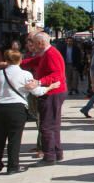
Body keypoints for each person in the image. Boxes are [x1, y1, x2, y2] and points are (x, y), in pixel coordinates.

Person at [0, 49, 59, 174]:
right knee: (14, 138)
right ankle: (13, 167)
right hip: (16, 109)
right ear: (20, 60)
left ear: (6, 60)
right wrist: (51, 87)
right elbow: (37, 92)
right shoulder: (25, 75)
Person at [19, 32, 67, 165]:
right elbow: (35, 61)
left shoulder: (51, 54)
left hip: (52, 93)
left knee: (46, 126)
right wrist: (16, 63)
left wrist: (39, 82)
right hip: (54, 92)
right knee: (53, 125)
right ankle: (57, 152)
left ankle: (49, 156)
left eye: (33, 43)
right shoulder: (47, 53)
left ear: (40, 43)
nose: (32, 46)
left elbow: (57, 74)